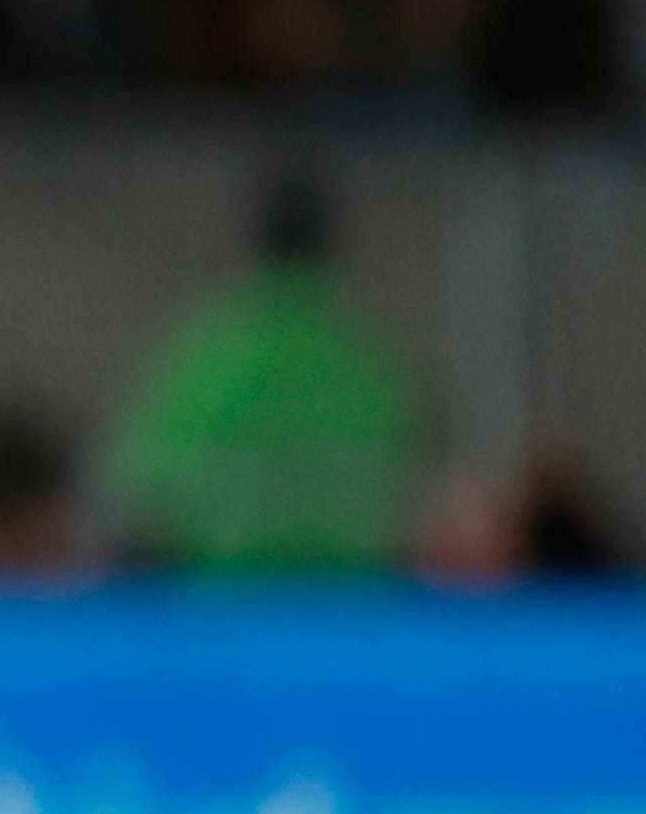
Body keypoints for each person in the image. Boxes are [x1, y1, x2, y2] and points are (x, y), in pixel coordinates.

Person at [101, 170, 415, 571]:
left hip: (221, 597)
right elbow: (414, 492)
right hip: (350, 597)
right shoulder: (372, 358)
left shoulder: (206, 352)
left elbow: (140, 490)